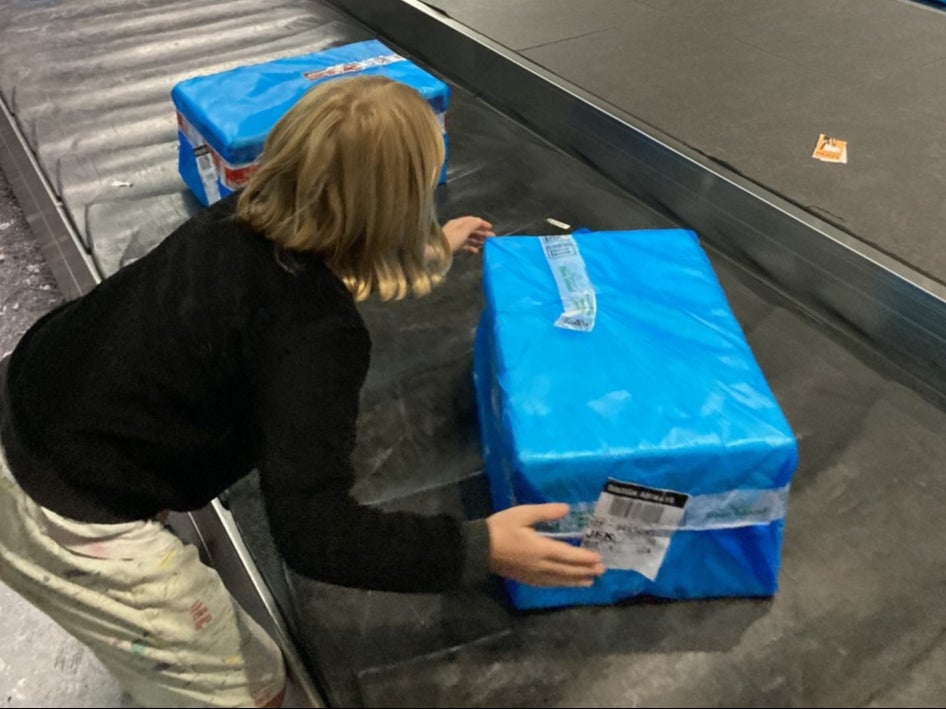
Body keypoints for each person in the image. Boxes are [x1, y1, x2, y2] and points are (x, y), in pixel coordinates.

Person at [0, 74, 605, 707]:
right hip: (66, 511)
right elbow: (314, 530)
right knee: (249, 684)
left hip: (31, 390)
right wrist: (479, 547)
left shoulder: (240, 217)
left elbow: (326, 262)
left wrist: (428, 250)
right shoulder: (318, 336)